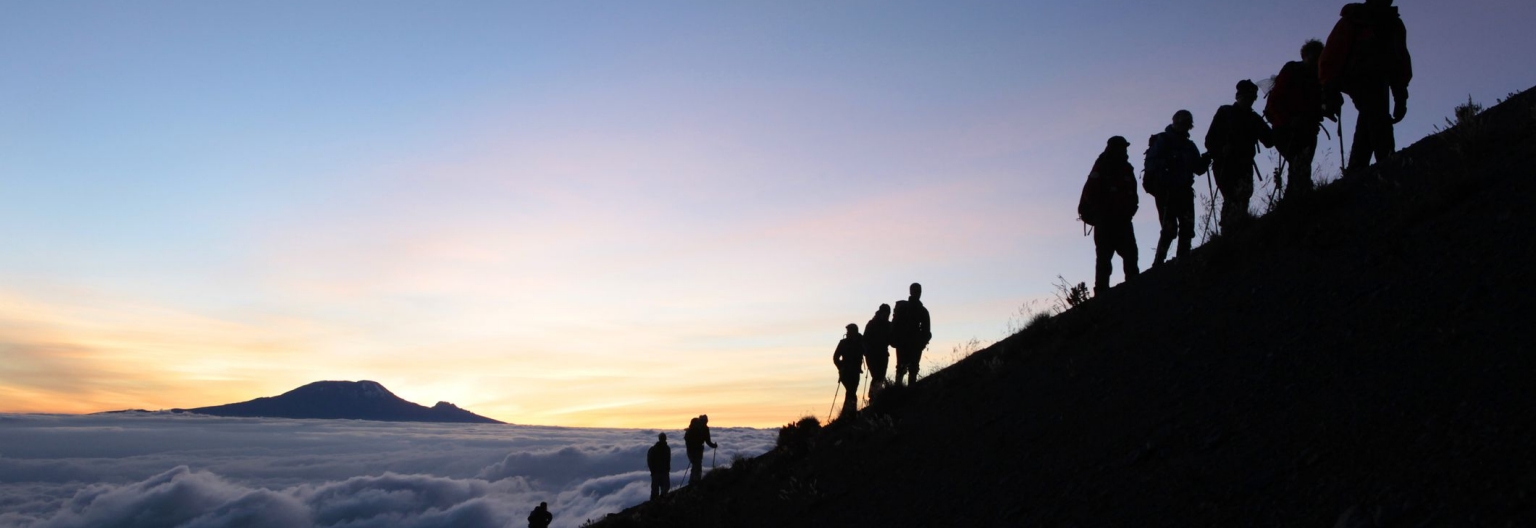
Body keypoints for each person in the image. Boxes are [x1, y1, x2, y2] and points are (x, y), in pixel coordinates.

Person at [1320, 0, 1412, 172]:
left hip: (1377, 79)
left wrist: (1401, 96)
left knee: (1370, 116)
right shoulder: (1354, 19)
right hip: (1358, 78)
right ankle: (1388, 164)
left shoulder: (1392, 23)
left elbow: (1399, 60)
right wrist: (1329, 87)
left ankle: (1357, 166)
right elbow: (1333, 53)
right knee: (1377, 115)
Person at [1206, 80, 1274, 232]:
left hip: (1244, 164)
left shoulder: (1253, 118)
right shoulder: (1225, 112)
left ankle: (1236, 230)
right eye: (1247, 97)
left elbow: (1269, 140)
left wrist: (1272, 119)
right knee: (1232, 196)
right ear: (1238, 96)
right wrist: (1221, 149)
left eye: (1252, 98)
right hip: (1225, 163)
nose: (1249, 100)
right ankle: (1229, 231)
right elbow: (1210, 140)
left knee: (1243, 196)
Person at [1144, 110, 1209, 266]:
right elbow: (1150, 165)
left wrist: (1206, 160)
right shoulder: (1163, 140)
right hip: (1166, 191)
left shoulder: (1189, 145)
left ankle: (1183, 260)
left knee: (1187, 228)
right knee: (1169, 229)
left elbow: (1198, 169)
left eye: (1186, 124)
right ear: (1175, 123)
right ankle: (1159, 263)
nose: (1184, 126)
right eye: (1182, 123)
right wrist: (1169, 162)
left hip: (1184, 190)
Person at [1077, 136, 1140, 295]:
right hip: (1106, 220)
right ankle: (1102, 294)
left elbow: (1132, 192)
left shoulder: (1126, 167)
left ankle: (1133, 287)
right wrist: (1103, 212)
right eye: (1121, 147)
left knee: (1128, 254)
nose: (1124, 150)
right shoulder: (1103, 166)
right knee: (1106, 258)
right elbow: (1091, 193)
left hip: (1121, 219)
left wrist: (1130, 209)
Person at [1265, 39, 1328, 199]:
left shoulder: (1317, 77)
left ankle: (1295, 200)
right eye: (1313, 57)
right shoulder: (1293, 70)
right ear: (1305, 55)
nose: (1315, 61)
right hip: (1286, 129)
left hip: (1305, 128)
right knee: (1299, 162)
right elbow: (1276, 100)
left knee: (1301, 164)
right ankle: (1298, 199)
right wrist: (1289, 119)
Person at [890, 283, 931, 386]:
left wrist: (922, 343)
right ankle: (901, 391)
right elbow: (895, 325)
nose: (917, 293)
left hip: (911, 344)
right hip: (906, 343)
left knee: (908, 369)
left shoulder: (920, 310)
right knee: (904, 368)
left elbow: (927, 331)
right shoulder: (919, 310)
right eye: (916, 291)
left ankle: (903, 391)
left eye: (918, 291)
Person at [832, 323, 864, 419]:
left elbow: (865, 351)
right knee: (851, 391)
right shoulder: (843, 342)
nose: (848, 333)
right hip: (845, 371)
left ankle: (848, 413)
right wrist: (841, 367)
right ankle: (849, 413)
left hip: (855, 370)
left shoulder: (860, 342)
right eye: (848, 331)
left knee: (851, 391)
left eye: (849, 331)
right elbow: (835, 357)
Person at [862, 304, 892, 399]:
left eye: (888, 313)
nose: (887, 315)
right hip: (872, 355)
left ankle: (875, 396)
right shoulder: (872, 324)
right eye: (886, 313)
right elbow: (865, 339)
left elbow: (891, 339)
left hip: (882, 354)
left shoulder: (888, 325)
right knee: (877, 376)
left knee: (880, 376)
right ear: (881, 312)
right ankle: (873, 396)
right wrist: (867, 351)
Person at [683, 414, 717, 484]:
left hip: (692, 449)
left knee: (696, 464)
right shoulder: (704, 429)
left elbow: (688, 440)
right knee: (697, 465)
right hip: (696, 449)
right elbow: (708, 441)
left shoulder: (696, 428)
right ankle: (696, 481)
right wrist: (713, 445)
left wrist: (713, 445)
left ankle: (693, 481)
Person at [647, 432, 670, 500]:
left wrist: (652, 470)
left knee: (658, 489)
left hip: (659, 472)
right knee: (659, 489)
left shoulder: (654, 449)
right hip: (658, 472)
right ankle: (659, 501)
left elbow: (649, 461)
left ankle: (656, 502)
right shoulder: (666, 449)